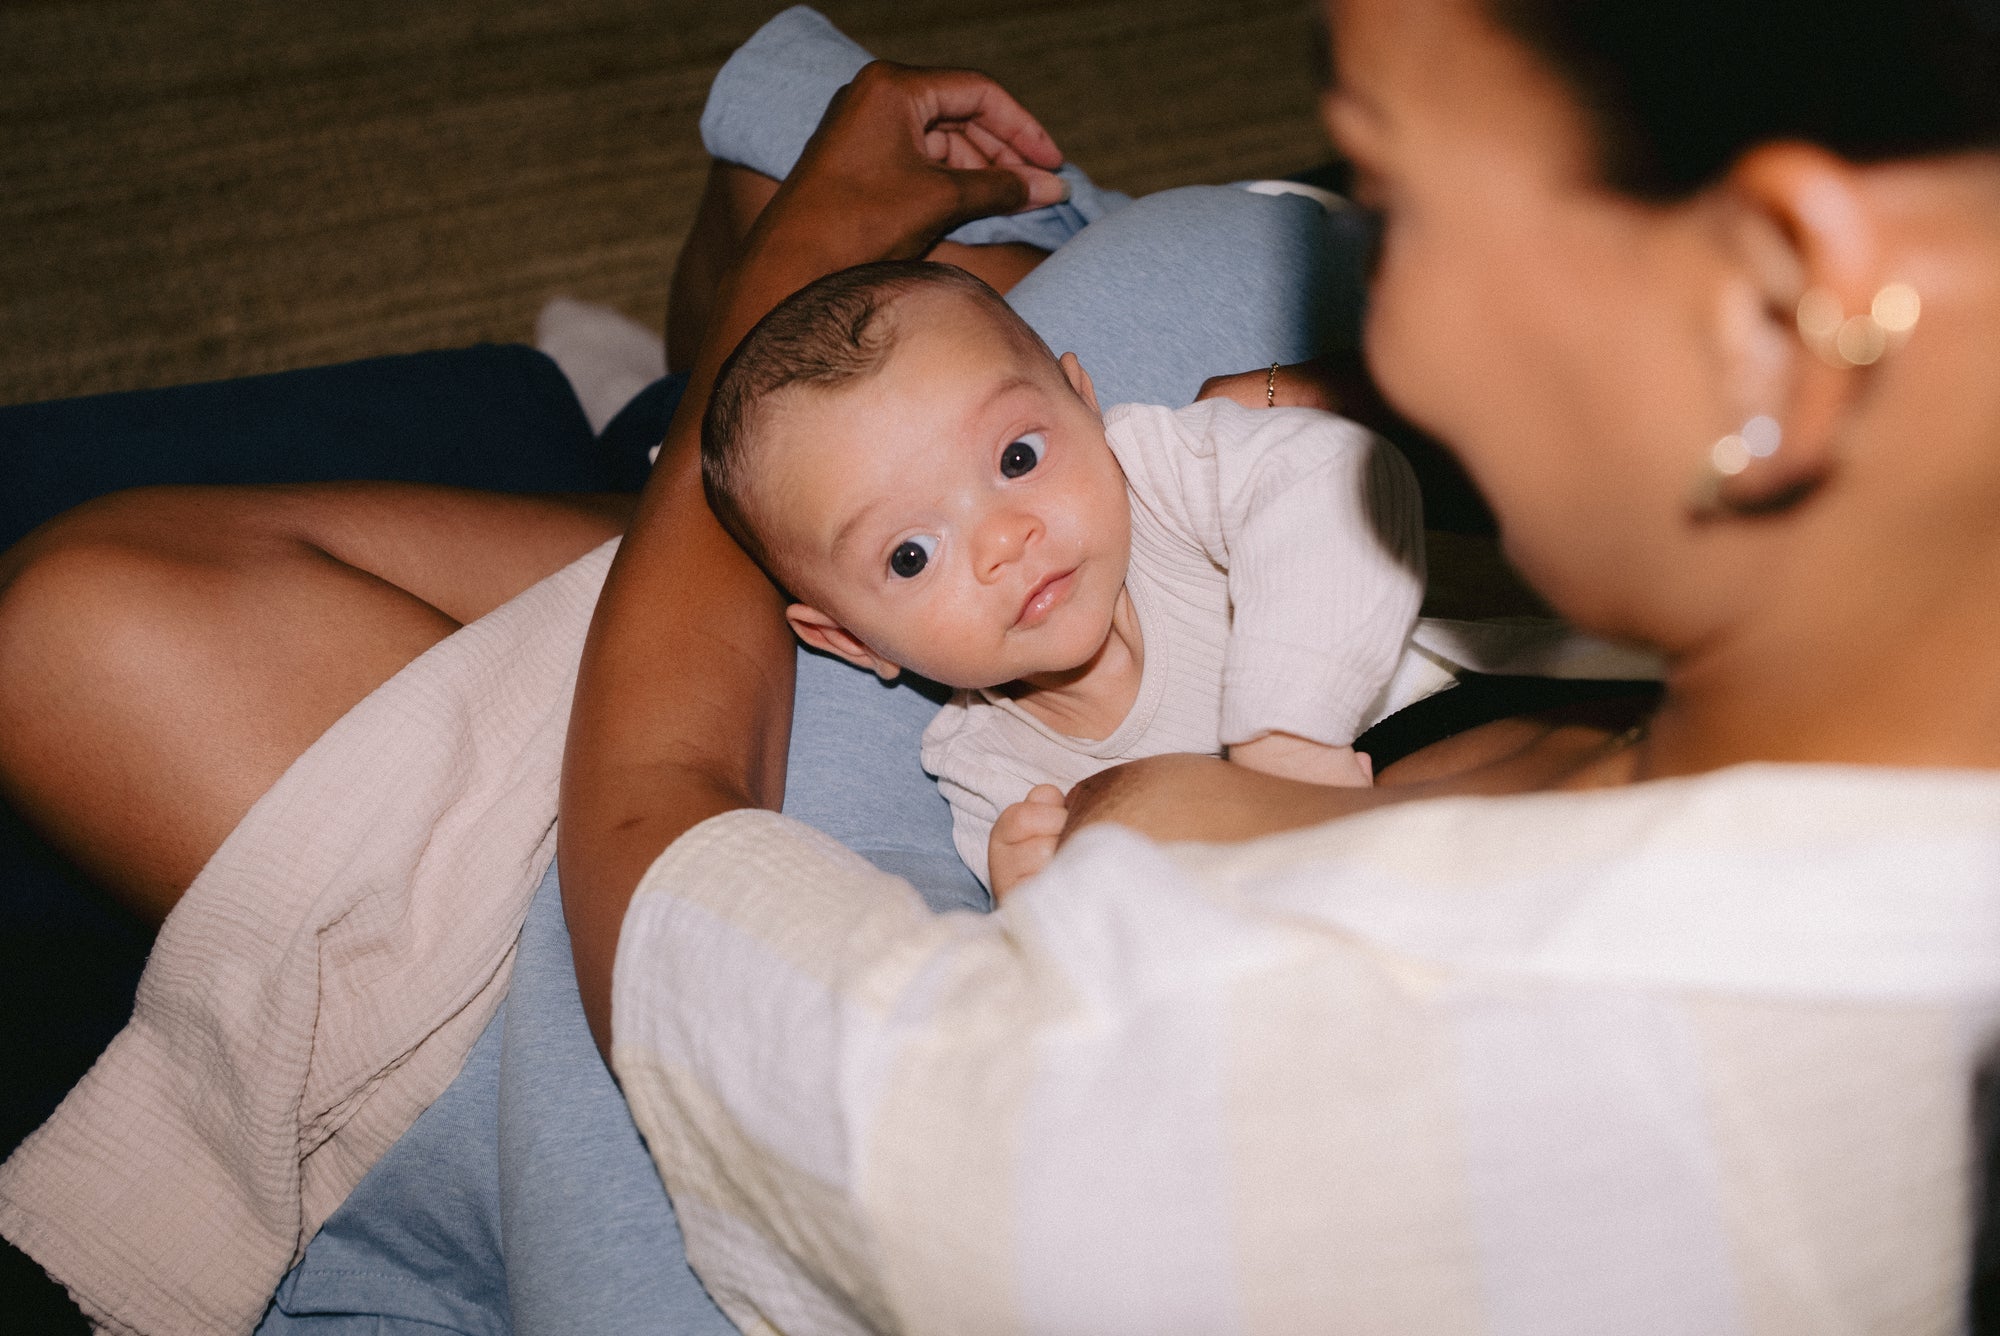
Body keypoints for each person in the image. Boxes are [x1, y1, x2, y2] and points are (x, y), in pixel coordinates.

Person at [558, 0, 2000, 1329]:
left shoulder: (1186, 1077)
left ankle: (657, 395)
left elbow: (653, 846)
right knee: (990, 278)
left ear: (1782, 308)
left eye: (1393, 208)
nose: (1364, 334)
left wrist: (797, 261)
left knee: (403, 579)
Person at [701, 259, 1421, 891]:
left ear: (1084, 402)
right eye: (911, 555)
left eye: (1018, 459)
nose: (1005, 542)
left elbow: (1331, 470)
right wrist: (1037, 911)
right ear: (855, 642)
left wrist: (1286, 740)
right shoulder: (992, 774)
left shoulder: (1167, 478)